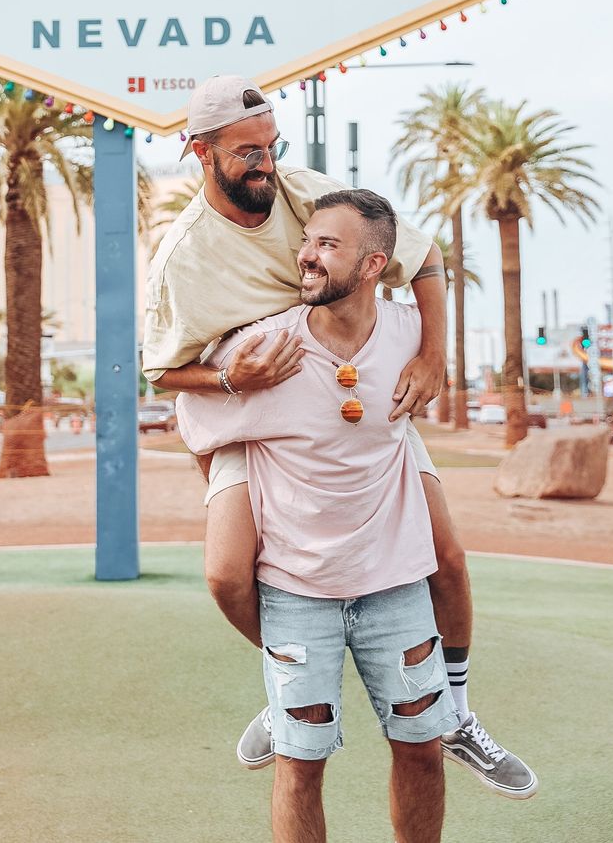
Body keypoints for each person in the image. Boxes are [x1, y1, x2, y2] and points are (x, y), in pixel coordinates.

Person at [143, 75, 536, 798]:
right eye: (248, 152)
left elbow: (423, 258)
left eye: (272, 145)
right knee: (227, 573)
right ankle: (286, 682)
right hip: (251, 418)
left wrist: (432, 356)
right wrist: (231, 378)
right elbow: (161, 371)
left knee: (447, 557)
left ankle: (455, 713)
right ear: (201, 152)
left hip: (354, 398)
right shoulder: (183, 257)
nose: (267, 163)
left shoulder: (306, 192)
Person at [175, 190, 461, 843]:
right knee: (299, 766)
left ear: (373, 265)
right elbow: (192, 418)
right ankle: (282, 697)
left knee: (422, 749)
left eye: (327, 245)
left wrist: (436, 355)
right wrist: (238, 494)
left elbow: (431, 279)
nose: (306, 254)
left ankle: (462, 717)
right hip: (295, 593)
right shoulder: (265, 348)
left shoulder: (411, 336)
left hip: (395, 587)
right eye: (307, 240)